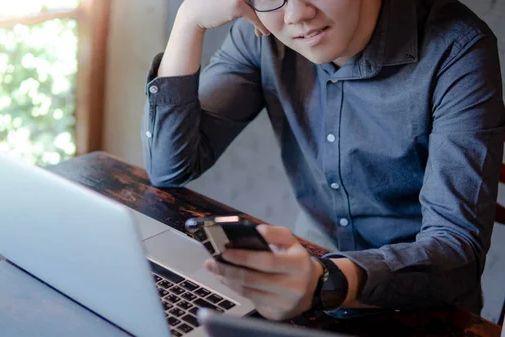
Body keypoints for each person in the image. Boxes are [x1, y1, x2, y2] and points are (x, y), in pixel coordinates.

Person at [141, 0, 505, 321]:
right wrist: (188, 20)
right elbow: (169, 166)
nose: (298, 14)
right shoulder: (259, 33)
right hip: (307, 275)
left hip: (423, 304)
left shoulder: (457, 47)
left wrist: (325, 280)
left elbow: (458, 250)